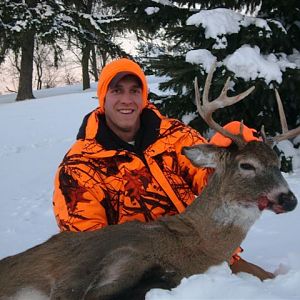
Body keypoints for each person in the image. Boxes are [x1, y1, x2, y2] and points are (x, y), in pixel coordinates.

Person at [53, 58, 274, 280]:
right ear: (103, 97)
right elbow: (86, 246)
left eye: (135, 90)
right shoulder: (79, 166)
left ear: (144, 95)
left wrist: (230, 157)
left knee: (274, 287)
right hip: (143, 272)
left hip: (210, 254)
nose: (127, 100)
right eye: (117, 91)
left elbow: (213, 186)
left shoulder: (175, 136)